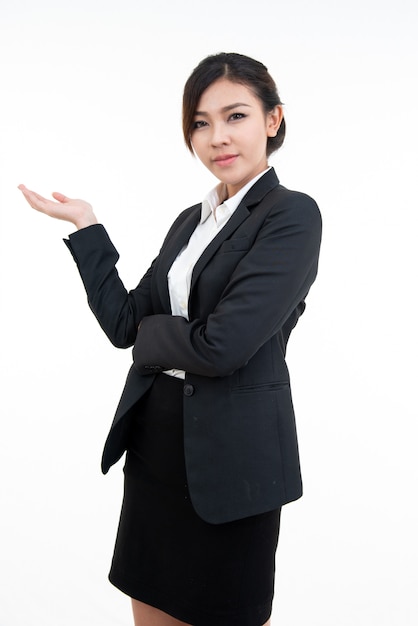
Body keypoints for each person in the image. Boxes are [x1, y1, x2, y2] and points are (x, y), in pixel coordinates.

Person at [19, 52, 322, 626]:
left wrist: (157, 340)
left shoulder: (291, 215)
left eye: (235, 116)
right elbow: (124, 325)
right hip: (158, 452)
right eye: (201, 123)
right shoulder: (190, 221)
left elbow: (222, 348)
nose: (217, 137)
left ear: (273, 120)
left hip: (235, 465)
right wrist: (88, 227)